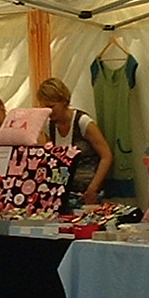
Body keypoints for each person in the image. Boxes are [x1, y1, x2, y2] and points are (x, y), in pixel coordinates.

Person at [35, 77, 113, 207]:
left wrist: (93, 189)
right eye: (45, 107)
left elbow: (106, 156)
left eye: (52, 106)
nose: (49, 111)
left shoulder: (82, 122)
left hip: (87, 192)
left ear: (64, 101)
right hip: (64, 193)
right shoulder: (49, 126)